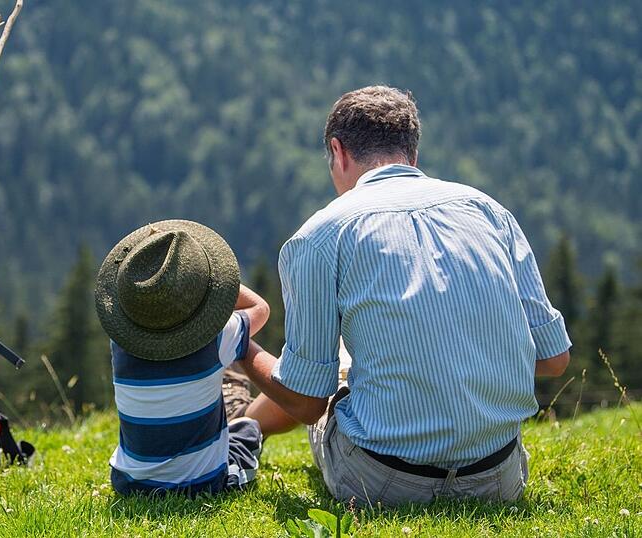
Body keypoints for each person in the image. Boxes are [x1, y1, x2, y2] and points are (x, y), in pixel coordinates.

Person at [240, 85, 571, 506]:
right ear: (412, 154)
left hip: (380, 483)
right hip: (499, 478)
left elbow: (307, 401)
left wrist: (239, 348)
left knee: (337, 364)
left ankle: (240, 430)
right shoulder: (489, 211)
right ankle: (242, 426)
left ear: (338, 152)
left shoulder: (321, 236)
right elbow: (555, 360)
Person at [94, 219, 270, 495]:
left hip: (129, 483)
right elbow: (260, 307)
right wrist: (214, 283)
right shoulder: (218, 338)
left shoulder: (120, 342)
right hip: (202, 485)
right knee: (248, 430)